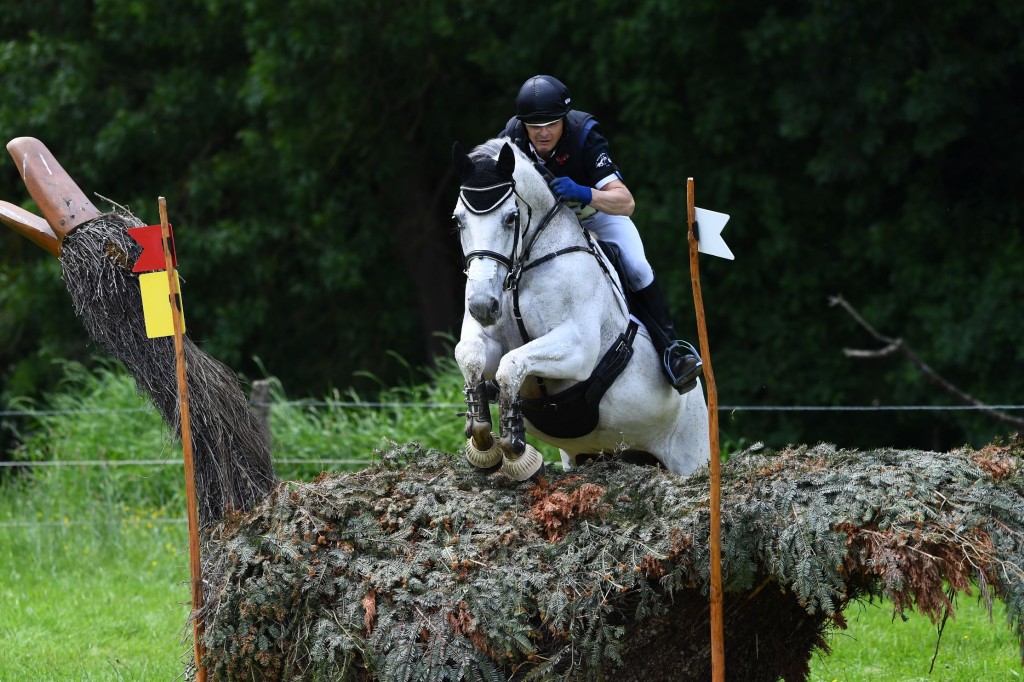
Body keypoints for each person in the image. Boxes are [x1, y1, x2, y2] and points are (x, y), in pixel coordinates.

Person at [499, 74, 703, 394]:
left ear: (564, 119)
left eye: (551, 123)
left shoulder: (584, 135)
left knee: (636, 266)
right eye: (533, 125)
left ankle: (671, 350)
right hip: (544, 230)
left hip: (596, 218)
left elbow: (626, 203)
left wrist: (584, 192)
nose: (542, 132)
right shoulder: (511, 137)